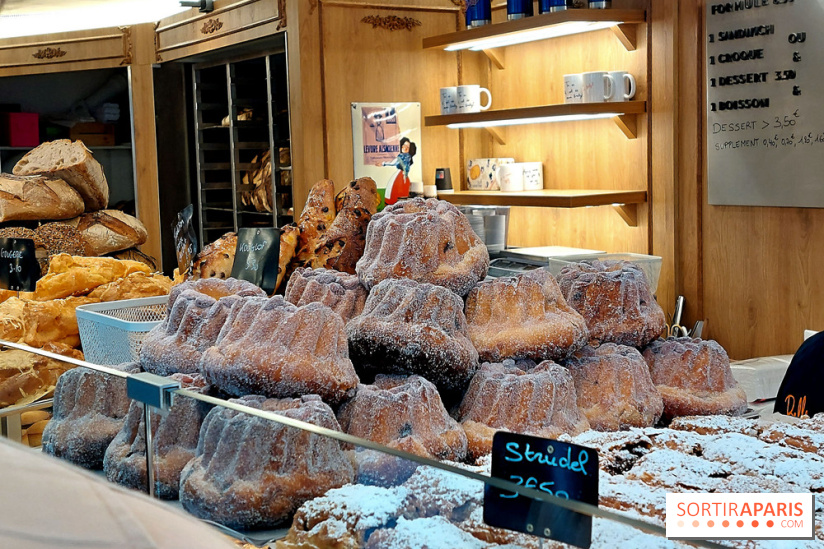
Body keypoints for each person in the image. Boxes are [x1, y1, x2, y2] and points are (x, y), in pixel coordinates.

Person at [382, 137, 417, 205]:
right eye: (404, 146)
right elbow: (393, 163)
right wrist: (383, 163)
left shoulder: (406, 157)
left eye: (407, 147)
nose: (405, 148)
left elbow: (394, 163)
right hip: (400, 176)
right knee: (393, 192)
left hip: (403, 177)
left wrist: (383, 163)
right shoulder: (402, 157)